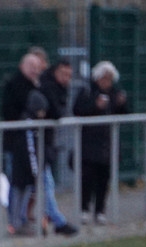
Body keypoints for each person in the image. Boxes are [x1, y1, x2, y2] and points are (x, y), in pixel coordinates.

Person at [72, 61, 127, 225]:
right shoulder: (87, 91)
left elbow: (124, 114)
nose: (106, 82)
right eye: (104, 78)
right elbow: (78, 110)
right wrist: (95, 106)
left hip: (107, 144)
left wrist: (122, 104)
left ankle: (100, 210)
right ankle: (84, 209)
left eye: (109, 79)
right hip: (89, 144)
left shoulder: (115, 93)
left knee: (104, 179)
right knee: (87, 178)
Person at [0, 48, 47, 234]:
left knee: (27, 183)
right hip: (16, 143)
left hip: (30, 144)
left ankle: (21, 219)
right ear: (22, 66)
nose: (35, 69)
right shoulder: (15, 85)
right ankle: (14, 222)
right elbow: (11, 112)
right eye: (31, 66)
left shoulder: (37, 86)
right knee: (16, 182)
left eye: (37, 66)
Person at [37, 59, 78, 236]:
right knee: (43, 184)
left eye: (69, 75)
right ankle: (56, 221)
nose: (66, 78)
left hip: (44, 142)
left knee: (43, 184)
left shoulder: (58, 88)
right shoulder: (47, 87)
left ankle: (45, 220)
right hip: (35, 142)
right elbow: (56, 111)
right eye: (63, 74)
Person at [7, 89, 48, 236]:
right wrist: (34, 170)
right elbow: (30, 149)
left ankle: (20, 221)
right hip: (23, 168)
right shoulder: (28, 125)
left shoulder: (32, 124)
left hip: (24, 167)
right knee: (19, 194)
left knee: (24, 193)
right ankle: (16, 224)